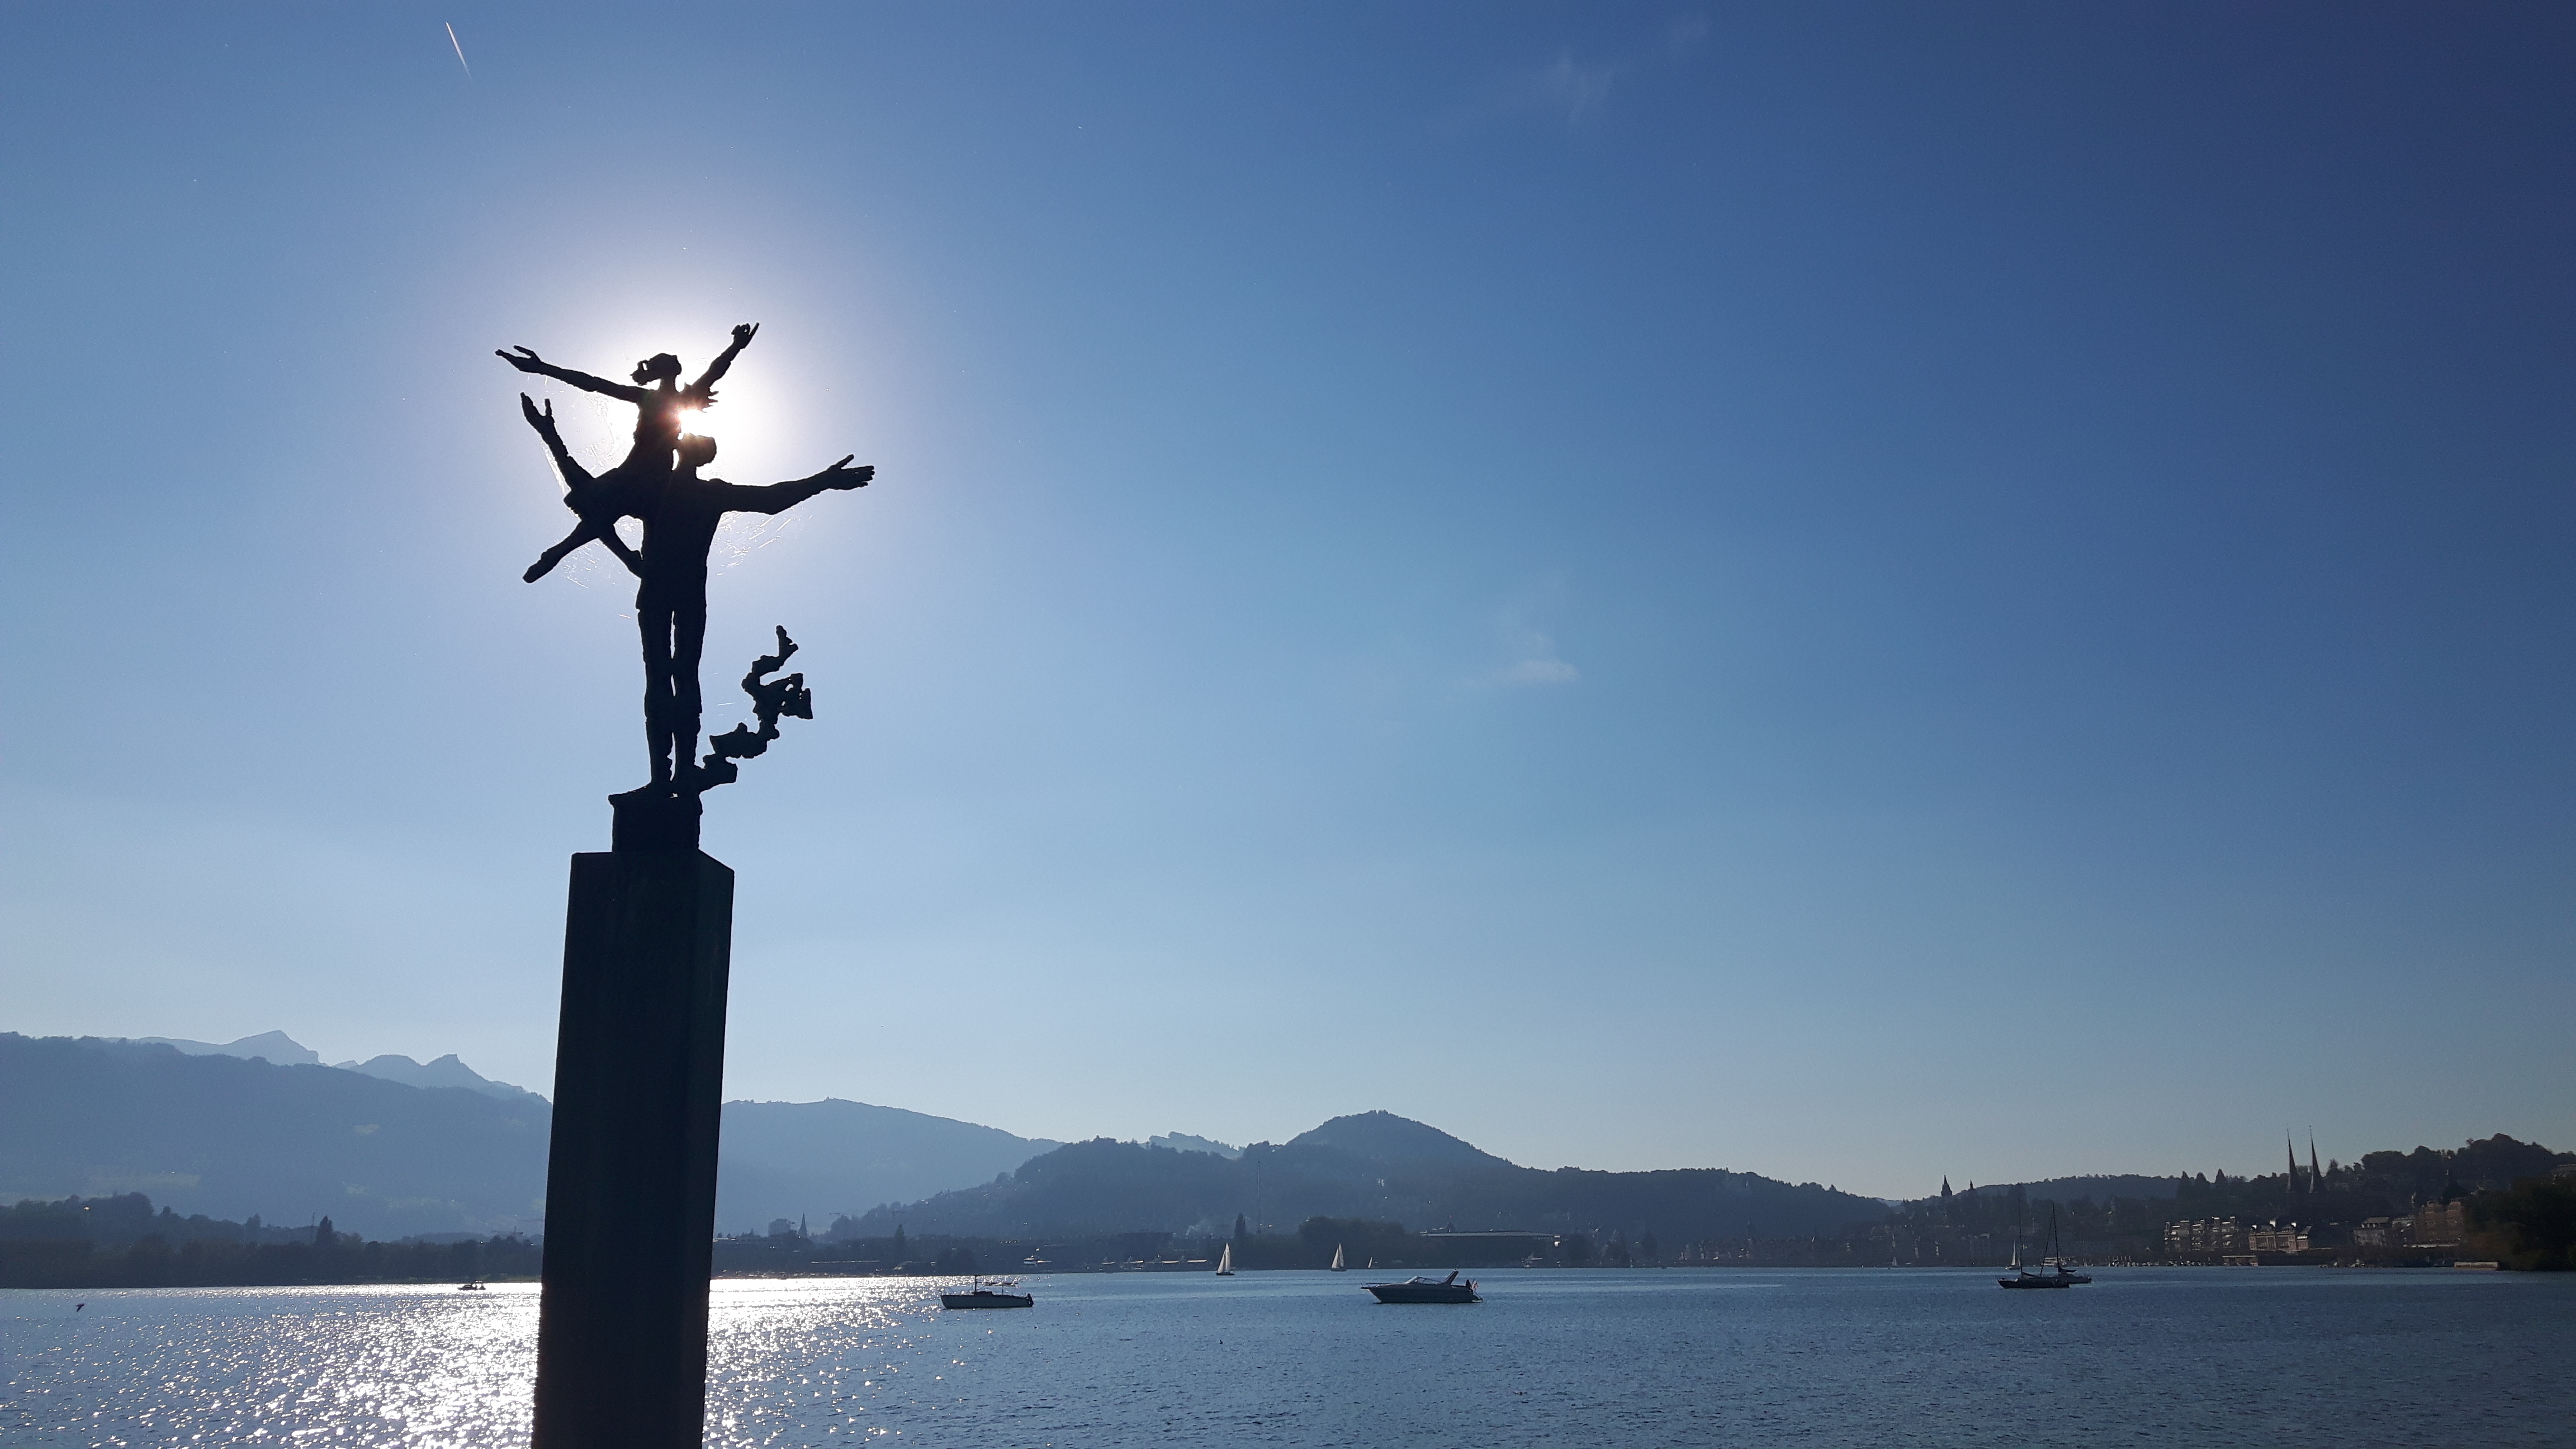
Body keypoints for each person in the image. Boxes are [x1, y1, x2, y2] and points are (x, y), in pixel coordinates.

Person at [632, 433, 872, 792]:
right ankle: (666, 778)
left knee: (671, 680)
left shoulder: (687, 490)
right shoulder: (671, 488)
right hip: (673, 595)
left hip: (675, 595)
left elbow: (771, 499)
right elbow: (593, 507)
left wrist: (822, 481)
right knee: (672, 680)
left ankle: (672, 776)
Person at [500, 323, 759, 580]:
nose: (674, 359)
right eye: (669, 360)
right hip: (639, 471)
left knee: (609, 517)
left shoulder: (675, 399)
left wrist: (736, 347)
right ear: (666, 370)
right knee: (603, 513)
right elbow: (593, 384)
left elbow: (715, 371)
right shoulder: (652, 398)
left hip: (653, 474)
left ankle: (571, 556)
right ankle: (594, 558)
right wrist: (543, 368)